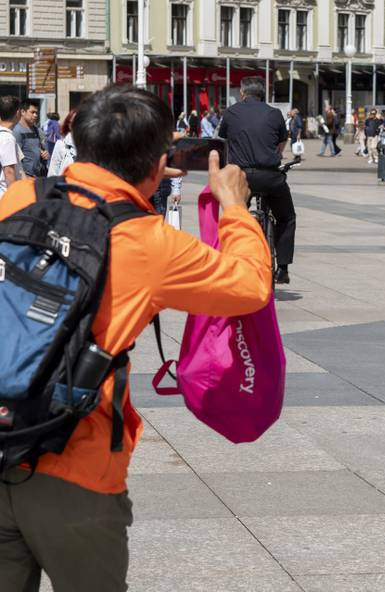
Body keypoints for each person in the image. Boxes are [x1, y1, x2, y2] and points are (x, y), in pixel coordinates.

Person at [0, 83, 271, 591]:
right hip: (74, 467)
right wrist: (233, 207)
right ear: (158, 159)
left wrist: (135, 181)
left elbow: (76, 202)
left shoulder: (20, 196)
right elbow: (251, 287)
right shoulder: (150, 241)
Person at [218, 76, 295, 284]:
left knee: (235, 216)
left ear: (242, 93)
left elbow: (223, 139)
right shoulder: (275, 113)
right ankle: (283, 268)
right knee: (286, 217)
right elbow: (281, 140)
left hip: (242, 177)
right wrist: (276, 155)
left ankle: (233, 261)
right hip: (270, 176)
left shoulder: (231, 113)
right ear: (263, 95)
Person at [13, 99, 49, 178]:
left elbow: (40, 149)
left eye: (36, 112)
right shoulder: (17, 131)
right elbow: (16, 159)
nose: (35, 115)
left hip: (38, 176)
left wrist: (44, 154)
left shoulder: (37, 130)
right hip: (26, 177)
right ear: (23, 112)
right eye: (32, 112)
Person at [0, 95, 23, 199]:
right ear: (18, 113)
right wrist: (13, 199)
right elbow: (9, 171)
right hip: (4, 196)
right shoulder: (7, 138)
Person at [48, 110, 77, 177]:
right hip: (53, 141)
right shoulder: (61, 144)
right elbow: (53, 172)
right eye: (71, 122)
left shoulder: (89, 145)